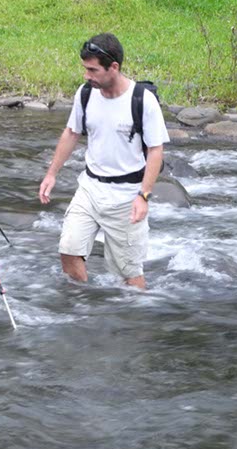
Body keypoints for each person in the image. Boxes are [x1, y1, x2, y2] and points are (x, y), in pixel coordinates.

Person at [38, 33, 169, 289]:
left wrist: (143, 196)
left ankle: (135, 321)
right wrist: (51, 173)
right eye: (85, 69)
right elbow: (72, 133)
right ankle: (83, 308)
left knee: (129, 273)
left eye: (92, 69)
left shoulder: (143, 100)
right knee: (69, 250)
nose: (87, 75)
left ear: (114, 67)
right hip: (89, 188)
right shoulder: (86, 94)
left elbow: (155, 150)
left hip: (126, 196)